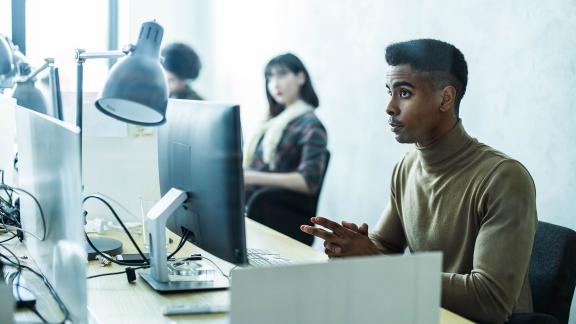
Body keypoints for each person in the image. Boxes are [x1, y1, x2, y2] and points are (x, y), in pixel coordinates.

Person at [300, 39, 537, 323]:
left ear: (445, 99)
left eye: (404, 93)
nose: (389, 107)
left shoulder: (504, 178)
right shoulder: (407, 166)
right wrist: (351, 247)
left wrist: (375, 263)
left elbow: (489, 301)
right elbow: (385, 245)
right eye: (389, 92)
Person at [244, 53, 328, 244]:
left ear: (300, 77)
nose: (274, 83)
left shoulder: (310, 125)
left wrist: (250, 177)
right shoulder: (271, 123)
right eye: (269, 77)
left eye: (281, 75)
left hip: (278, 214)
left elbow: (309, 181)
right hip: (256, 207)